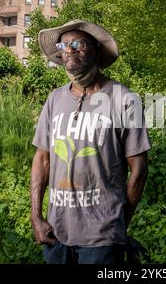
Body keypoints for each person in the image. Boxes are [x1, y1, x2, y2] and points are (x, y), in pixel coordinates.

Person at [30, 19, 151, 264]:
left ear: (96, 49)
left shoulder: (123, 99)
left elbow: (138, 170)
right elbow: (42, 159)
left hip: (103, 239)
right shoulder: (54, 100)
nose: (70, 49)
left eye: (78, 43)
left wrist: (118, 225)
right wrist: (36, 217)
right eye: (64, 45)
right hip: (57, 231)